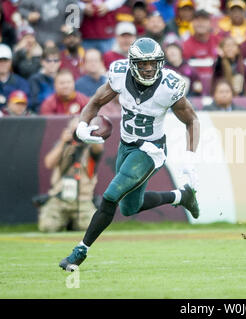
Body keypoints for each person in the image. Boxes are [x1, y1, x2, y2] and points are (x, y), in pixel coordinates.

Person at [59, 37, 200, 271]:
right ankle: (181, 196)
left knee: (111, 195)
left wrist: (190, 157)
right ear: (133, 63)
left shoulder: (169, 86)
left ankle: (79, 252)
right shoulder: (119, 75)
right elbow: (95, 101)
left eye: (153, 63)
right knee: (129, 208)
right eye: (143, 64)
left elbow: (192, 120)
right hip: (126, 145)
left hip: (150, 150)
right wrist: (82, 126)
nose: (148, 68)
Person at [37, 116, 103, 232]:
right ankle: (66, 221)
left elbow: (98, 149)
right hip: (59, 197)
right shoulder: (62, 145)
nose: (77, 135)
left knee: (89, 228)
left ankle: (74, 224)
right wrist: (63, 142)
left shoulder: (91, 146)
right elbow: (49, 163)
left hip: (83, 199)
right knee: (47, 227)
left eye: (79, 131)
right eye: (75, 131)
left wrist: (89, 135)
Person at [182, 9, 221, 75]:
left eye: (204, 20)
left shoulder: (218, 41)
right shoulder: (185, 45)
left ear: (210, 23)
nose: (200, 23)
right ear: (192, 23)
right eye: (197, 20)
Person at [28, 46, 61, 113]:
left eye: (56, 60)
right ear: (42, 62)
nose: (52, 63)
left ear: (60, 62)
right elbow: (35, 103)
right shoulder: (35, 79)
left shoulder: (63, 79)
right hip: (43, 117)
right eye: (48, 60)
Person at [0, 43, 30, 110]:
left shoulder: (21, 83)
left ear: (10, 62)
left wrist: (5, 100)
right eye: (0, 61)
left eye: (5, 61)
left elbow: (26, 103)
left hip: (15, 119)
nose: (2, 64)